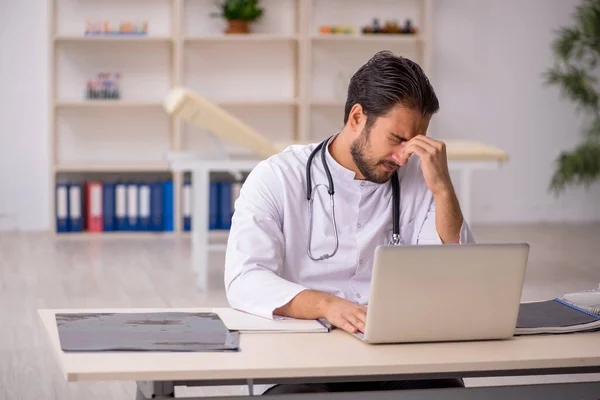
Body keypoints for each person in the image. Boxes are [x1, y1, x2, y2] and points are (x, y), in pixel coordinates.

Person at [223, 50, 475, 395]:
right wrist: (327, 305)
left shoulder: (423, 177)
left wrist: (444, 189)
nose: (404, 156)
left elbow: (461, 273)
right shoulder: (277, 177)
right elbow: (244, 278)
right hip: (301, 353)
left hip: (395, 350)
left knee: (445, 391)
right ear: (357, 117)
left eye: (415, 142)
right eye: (397, 139)